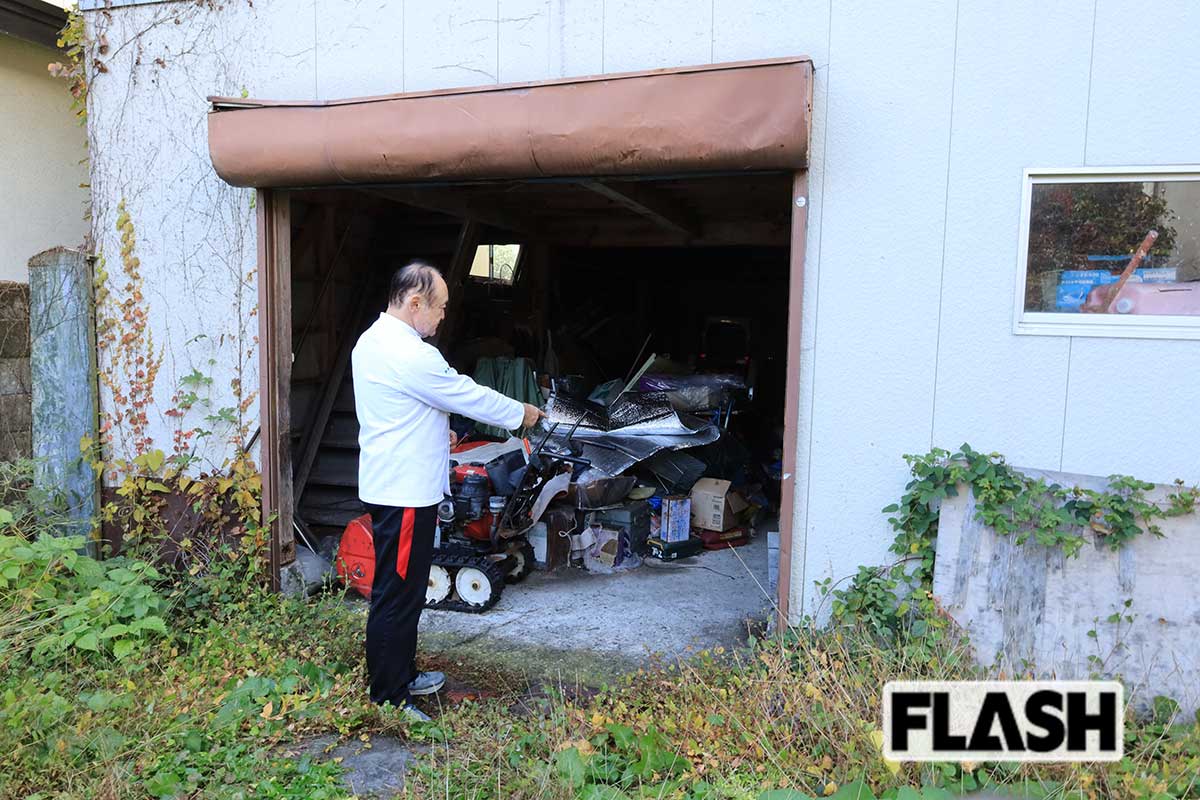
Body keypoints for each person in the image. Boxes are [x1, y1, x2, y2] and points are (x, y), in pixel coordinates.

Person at [351, 261, 544, 720]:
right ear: (414, 303)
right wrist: (522, 413)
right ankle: (389, 697)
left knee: (406, 589)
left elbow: (402, 410)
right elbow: (465, 394)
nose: (441, 318)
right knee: (397, 595)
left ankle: (401, 672)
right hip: (405, 495)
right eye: (439, 308)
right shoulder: (410, 354)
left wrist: (441, 436)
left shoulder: (374, 341)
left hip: (396, 485)